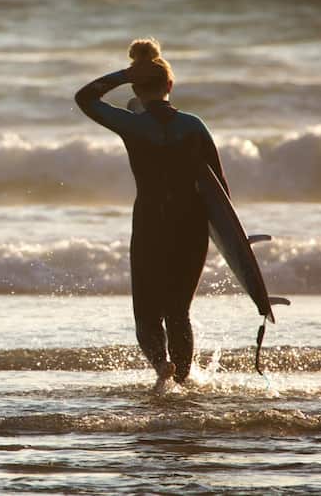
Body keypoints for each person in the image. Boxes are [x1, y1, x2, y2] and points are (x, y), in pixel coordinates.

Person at [74, 38, 229, 389]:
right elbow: (219, 190)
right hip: (190, 225)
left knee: (147, 312)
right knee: (178, 312)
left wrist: (122, 75)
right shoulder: (193, 126)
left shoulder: (130, 124)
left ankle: (162, 367)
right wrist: (231, 241)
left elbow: (84, 98)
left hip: (150, 223)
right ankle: (186, 381)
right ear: (170, 85)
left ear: (136, 87)